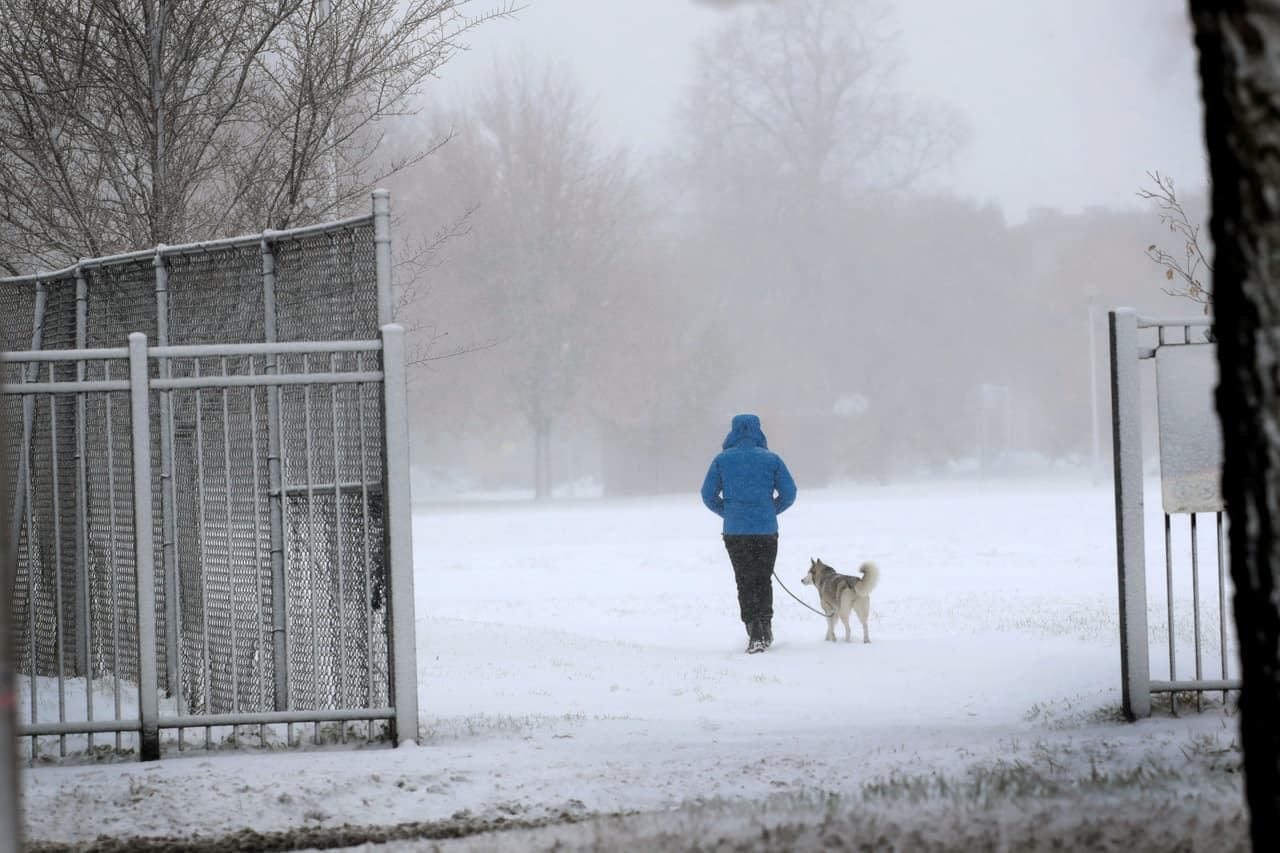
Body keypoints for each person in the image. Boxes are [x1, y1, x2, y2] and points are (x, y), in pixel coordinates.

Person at [700, 413, 797, 654]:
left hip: (736, 532)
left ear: (733, 431)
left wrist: (730, 513)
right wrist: (769, 511)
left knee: (744, 579)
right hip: (765, 531)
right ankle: (765, 626)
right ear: (758, 431)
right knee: (763, 578)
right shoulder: (771, 459)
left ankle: (753, 629)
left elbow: (707, 495)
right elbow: (790, 493)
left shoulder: (722, 460)